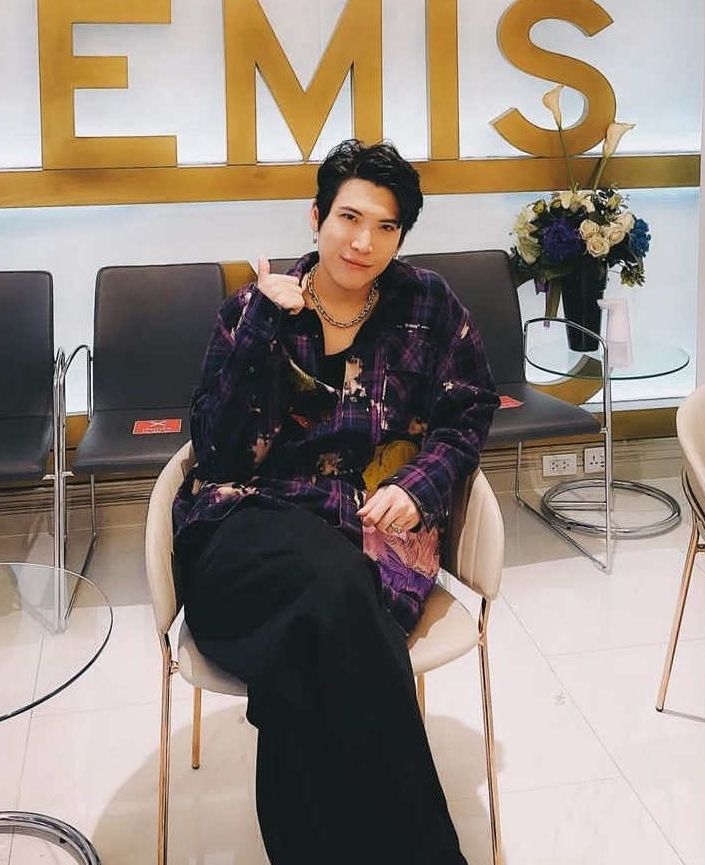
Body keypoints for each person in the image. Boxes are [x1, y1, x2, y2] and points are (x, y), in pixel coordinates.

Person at [172, 139, 500, 865]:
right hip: (246, 530)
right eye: (349, 217)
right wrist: (263, 328)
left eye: (386, 226)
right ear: (316, 216)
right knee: (334, 589)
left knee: (321, 624)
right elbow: (218, 454)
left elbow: (469, 411)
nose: (363, 242)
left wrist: (420, 485)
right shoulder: (252, 309)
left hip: (370, 535)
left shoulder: (427, 305)